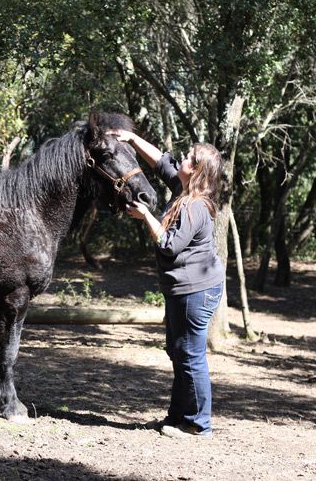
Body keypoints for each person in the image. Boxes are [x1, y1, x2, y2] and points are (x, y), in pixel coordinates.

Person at [109, 129, 225, 438]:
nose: (182, 159)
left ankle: (199, 425)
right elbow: (161, 162)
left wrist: (146, 216)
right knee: (179, 352)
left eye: (189, 158)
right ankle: (177, 418)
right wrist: (131, 138)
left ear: (197, 171)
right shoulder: (183, 189)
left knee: (190, 356)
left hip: (195, 291)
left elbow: (169, 245)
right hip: (185, 290)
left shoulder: (194, 206)